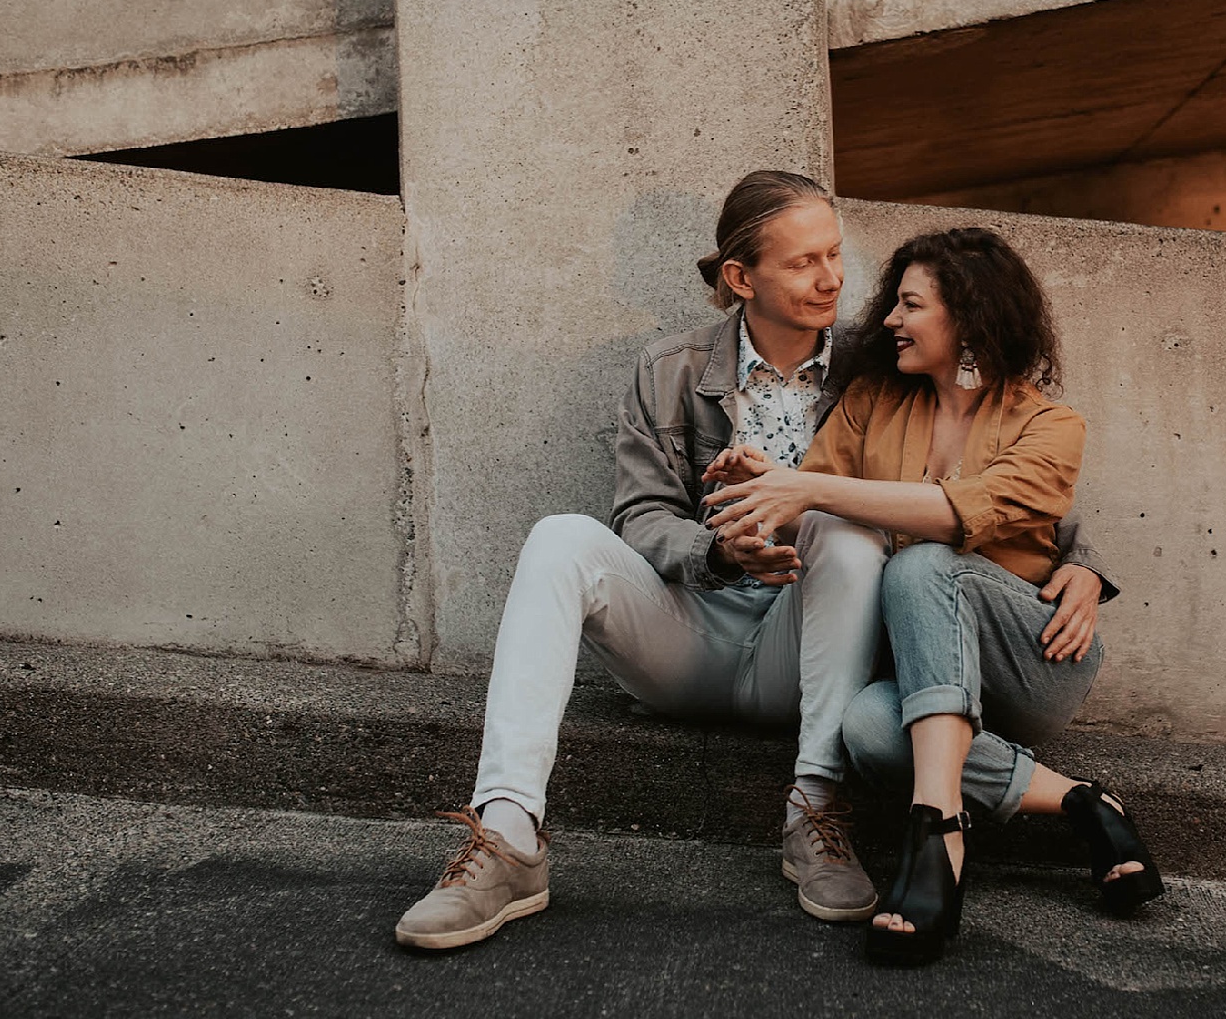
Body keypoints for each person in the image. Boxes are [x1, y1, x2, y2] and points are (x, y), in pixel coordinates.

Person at [394, 174, 1113, 949]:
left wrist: (1086, 564)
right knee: (561, 537)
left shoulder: (872, 368)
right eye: (805, 262)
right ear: (742, 278)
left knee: (844, 530)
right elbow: (638, 516)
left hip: (804, 650)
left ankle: (814, 809)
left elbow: (1008, 480)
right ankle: (506, 836)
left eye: (835, 255)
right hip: (687, 632)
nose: (832, 278)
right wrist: (717, 546)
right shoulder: (669, 369)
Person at [702, 225, 1164, 965]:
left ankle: (936, 832)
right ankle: (1080, 801)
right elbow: (813, 515)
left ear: (972, 318)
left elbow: (963, 513)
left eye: (910, 305)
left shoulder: (1052, 426)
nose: (888, 318)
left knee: (923, 565)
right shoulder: (872, 401)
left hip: (1032, 657)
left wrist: (811, 485)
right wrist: (762, 485)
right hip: (920, 668)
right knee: (866, 728)